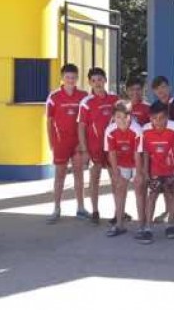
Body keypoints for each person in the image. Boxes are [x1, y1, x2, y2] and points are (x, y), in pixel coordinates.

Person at [136, 101, 174, 244]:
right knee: (152, 196)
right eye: (154, 118)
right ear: (150, 118)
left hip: (172, 169)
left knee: (172, 195)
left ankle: (170, 225)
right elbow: (145, 150)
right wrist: (145, 169)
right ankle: (148, 228)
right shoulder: (145, 130)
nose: (158, 121)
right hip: (155, 169)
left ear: (167, 117)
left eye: (161, 118)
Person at [45, 63, 89, 223]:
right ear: (62, 78)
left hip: (77, 143)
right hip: (60, 143)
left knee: (79, 175)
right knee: (59, 176)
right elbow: (49, 122)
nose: (70, 80)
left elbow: (87, 122)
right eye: (67, 77)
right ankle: (56, 208)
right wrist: (51, 143)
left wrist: (84, 144)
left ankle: (81, 208)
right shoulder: (54, 97)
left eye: (73, 77)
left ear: (77, 78)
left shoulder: (83, 96)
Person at [77, 67, 120, 224]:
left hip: (112, 147)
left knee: (115, 179)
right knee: (94, 179)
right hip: (94, 147)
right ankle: (95, 211)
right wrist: (84, 149)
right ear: (89, 82)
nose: (97, 83)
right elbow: (81, 127)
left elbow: (121, 120)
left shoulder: (115, 99)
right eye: (94, 81)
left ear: (105, 80)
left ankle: (118, 212)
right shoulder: (86, 102)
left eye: (100, 80)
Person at [104, 102, 143, 237]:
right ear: (113, 117)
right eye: (118, 117)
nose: (121, 120)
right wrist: (115, 173)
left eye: (124, 117)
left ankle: (142, 226)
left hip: (137, 162)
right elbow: (112, 152)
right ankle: (119, 224)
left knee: (139, 192)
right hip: (121, 163)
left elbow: (138, 153)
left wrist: (138, 174)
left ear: (129, 117)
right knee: (120, 191)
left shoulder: (136, 130)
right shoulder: (110, 130)